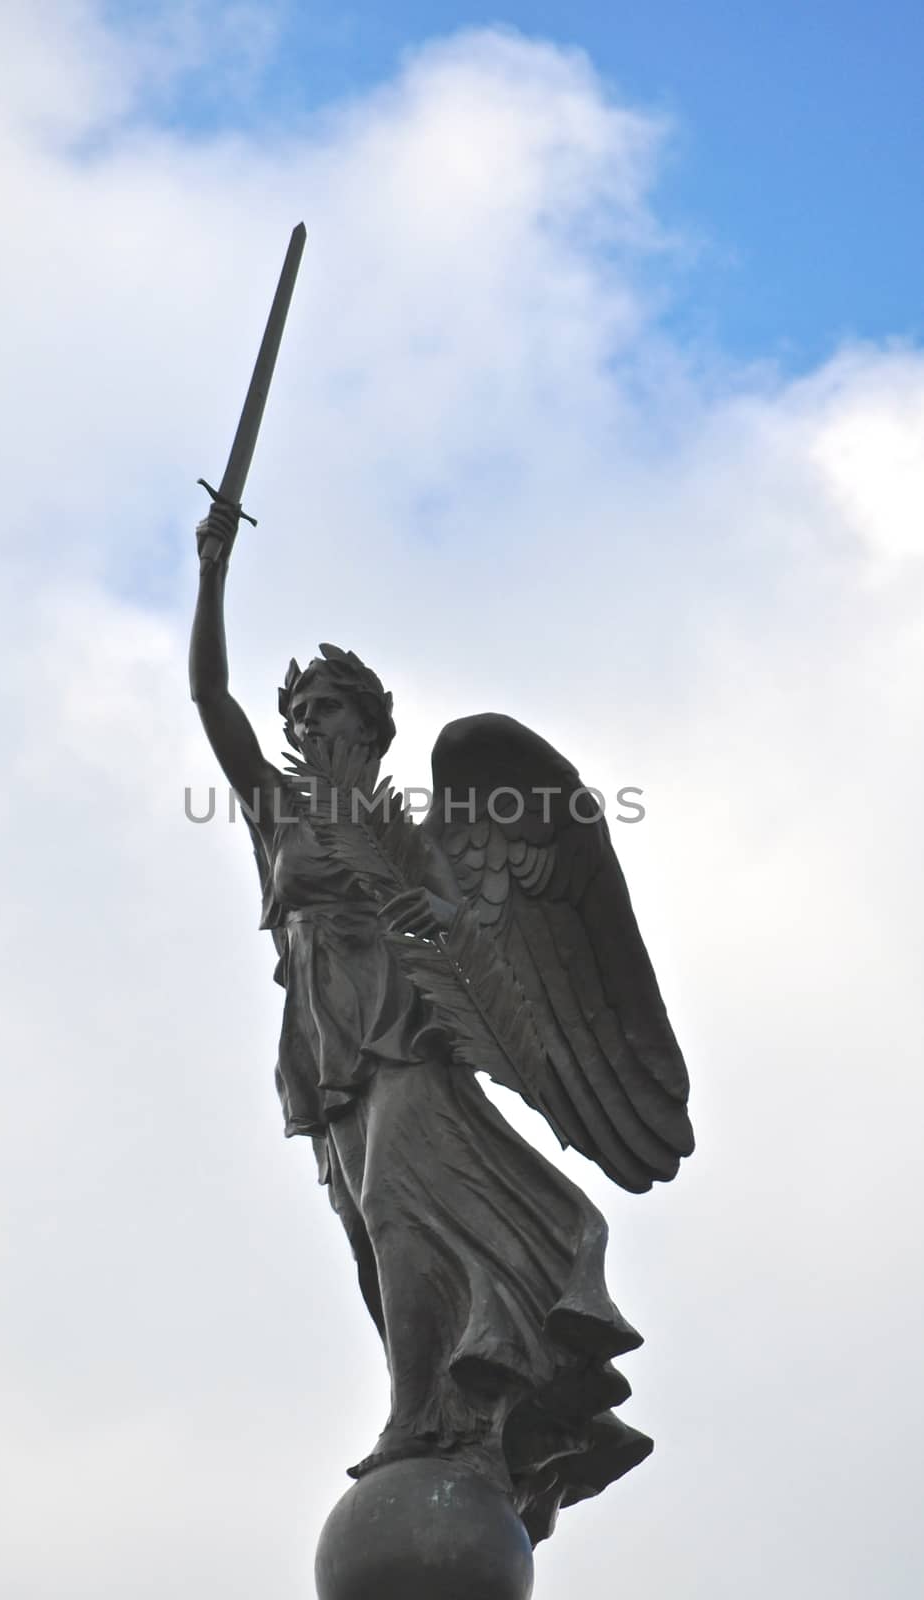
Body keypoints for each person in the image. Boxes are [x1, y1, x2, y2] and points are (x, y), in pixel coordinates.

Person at [190, 500, 657, 1544]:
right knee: (370, 1236)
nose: (307, 723)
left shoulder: (423, 830)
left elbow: (461, 923)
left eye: (327, 707)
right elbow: (209, 695)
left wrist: (427, 906)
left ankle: (419, 1415)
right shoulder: (278, 813)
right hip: (326, 1054)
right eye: (300, 710)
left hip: (406, 1036)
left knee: (404, 1210)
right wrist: (212, 574)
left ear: (369, 722)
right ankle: (457, 1408)